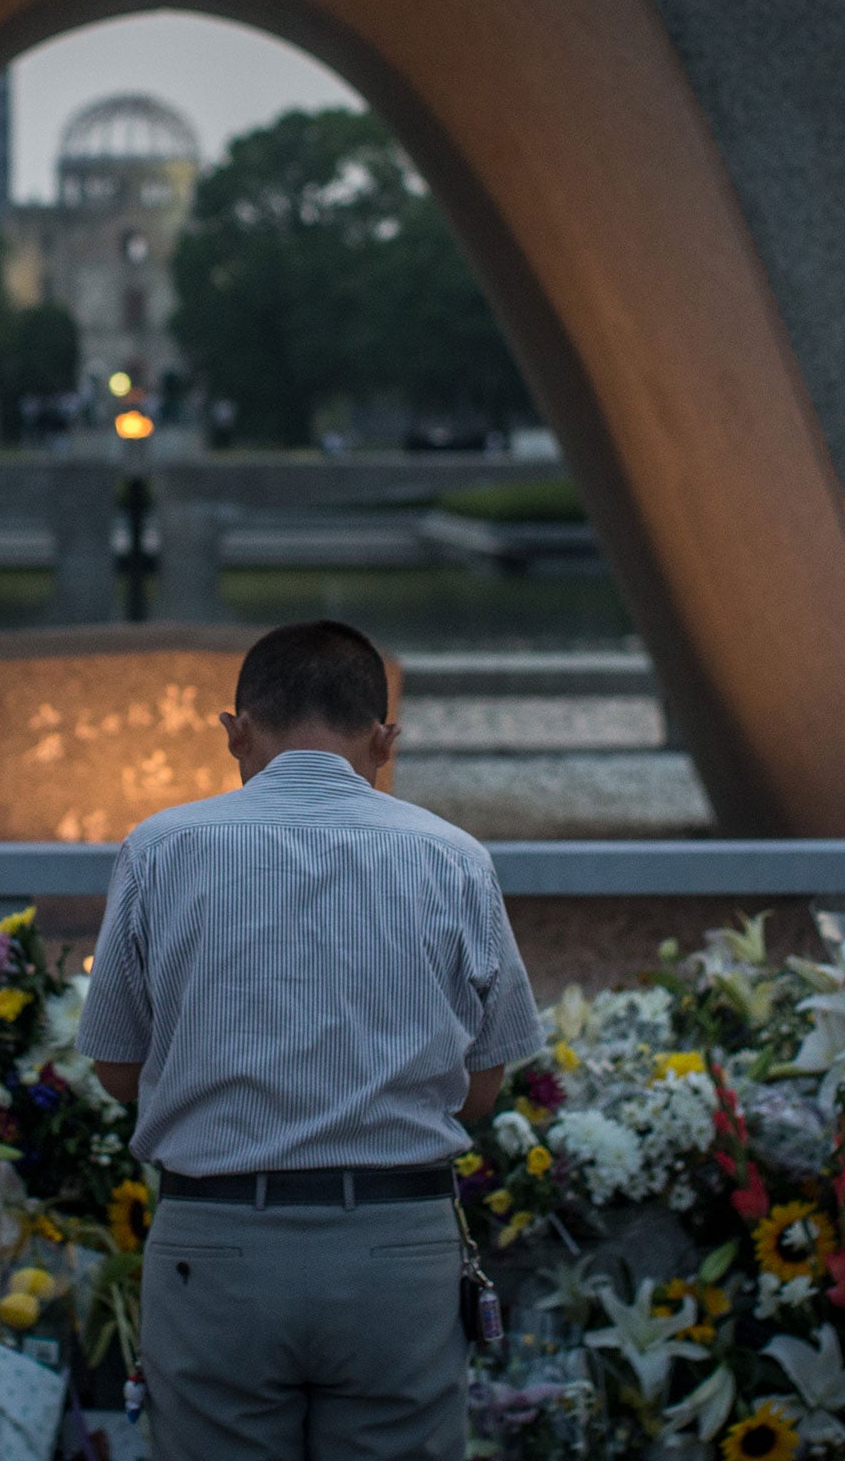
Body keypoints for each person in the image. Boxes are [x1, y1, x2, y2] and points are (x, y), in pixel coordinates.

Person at [76, 619, 543, 1461]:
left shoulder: (161, 849)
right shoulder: (455, 857)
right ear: (386, 739)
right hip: (396, 1246)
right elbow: (481, 1088)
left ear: (235, 732)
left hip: (214, 1245)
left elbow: (116, 1066)